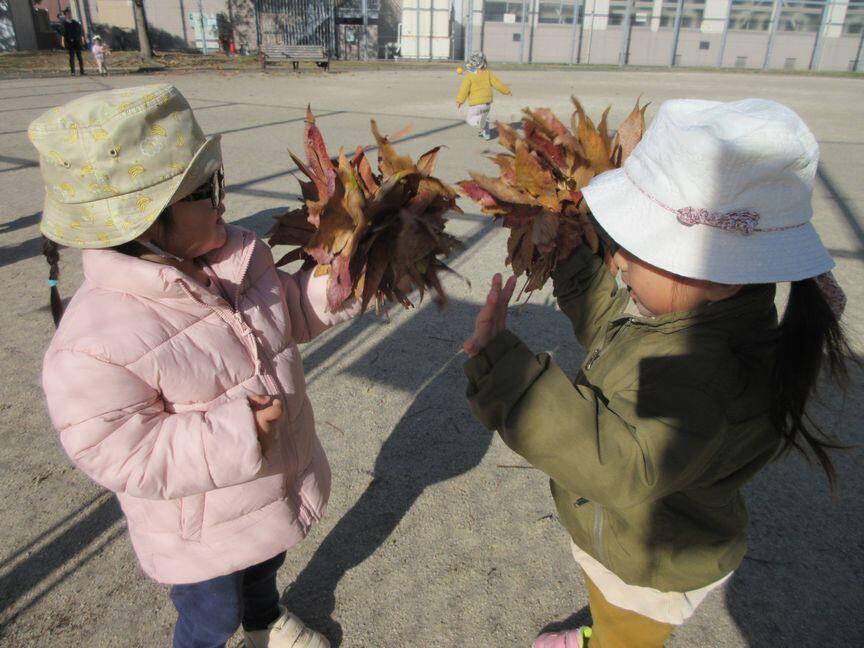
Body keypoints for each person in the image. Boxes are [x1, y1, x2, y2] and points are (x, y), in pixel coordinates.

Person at [462, 99, 851, 648]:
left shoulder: (705, 374)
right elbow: (610, 324)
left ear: (716, 275)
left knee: (627, 632)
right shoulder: (696, 314)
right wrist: (572, 264)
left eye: (636, 249)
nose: (617, 261)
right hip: (629, 537)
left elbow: (623, 464)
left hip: (653, 566)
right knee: (608, 602)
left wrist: (507, 374)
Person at [32, 84, 360, 648]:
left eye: (218, 181)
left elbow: (292, 316)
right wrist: (238, 433)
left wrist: (337, 284)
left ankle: (265, 620)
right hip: (198, 529)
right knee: (211, 615)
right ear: (144, 219)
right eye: (207, 190)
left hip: (267, 487)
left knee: (264, 565)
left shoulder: (239, 260)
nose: (223, 199)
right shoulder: (95, 341)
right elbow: (121, 450)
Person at [455, 51, 511, 140]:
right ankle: (486, 134)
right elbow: (497, 83)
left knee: (471, 119)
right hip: (487, 104)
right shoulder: (488, 73)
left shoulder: (469, 76)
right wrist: (506, 91)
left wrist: (459, 101)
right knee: (485, 119)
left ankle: (479, 120)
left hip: (476, 104)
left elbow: (464, 89)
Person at [60, 8, 85, 76]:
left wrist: (82, 38)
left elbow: (80, 31)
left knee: (79, 56)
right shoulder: (64, 24)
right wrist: (62, 41)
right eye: (68, 14)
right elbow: (63, 33)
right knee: (71, 57)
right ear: (65, 15)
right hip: (70, 42)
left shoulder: (75, 23)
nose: (69, 15)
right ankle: (72, 71)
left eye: (70, 13)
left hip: (77, 42)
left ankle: (82, 70)